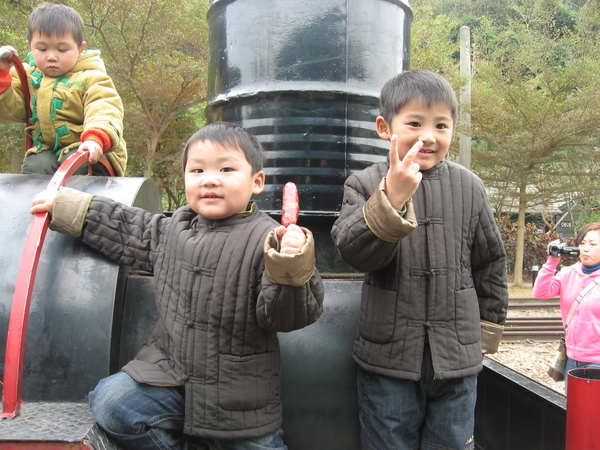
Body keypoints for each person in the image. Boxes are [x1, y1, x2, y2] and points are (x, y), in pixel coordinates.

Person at [30, 121, 324, 449]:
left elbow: (285, 318)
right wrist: (68, 207)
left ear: (256, 182)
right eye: (197, 171)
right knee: (112, 402)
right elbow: (127, 228)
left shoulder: (268, 240)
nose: (210, 179)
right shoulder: (175, 229)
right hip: (169, 378)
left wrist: (290, 263)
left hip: (237, 403)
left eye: (226, 169)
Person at [330, 69, 508, 450]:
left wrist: (487, 329)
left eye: (441, 126)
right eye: (414, 123)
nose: (428, 136)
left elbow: (490, 261)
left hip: (456, 359)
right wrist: (390, 199)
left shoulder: (470, 187)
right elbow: (353, 252)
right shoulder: (363, 183)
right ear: (384, 127)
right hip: (388, 359)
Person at [0, 2, 127, 176]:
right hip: (50, 150)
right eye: (42, 49)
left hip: (92, 151)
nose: (51, 56)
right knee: (34, 167)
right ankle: (37, 203)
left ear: (80, 49)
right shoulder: (28, 77)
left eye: (62, 49)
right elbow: (11, 110)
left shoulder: (92, 78)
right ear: (30, 46)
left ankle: (82, 202)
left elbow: (105, 110)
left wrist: (95, 139)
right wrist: (2, 74)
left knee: (76, 163)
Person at [533, 223, 600, 380]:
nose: (586, 248)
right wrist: (552, 261)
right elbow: (541, 292)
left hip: (597, 359)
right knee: (573, 404)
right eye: (582, 243)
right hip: (571, 357)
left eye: (593, 244)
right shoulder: (568, 273)